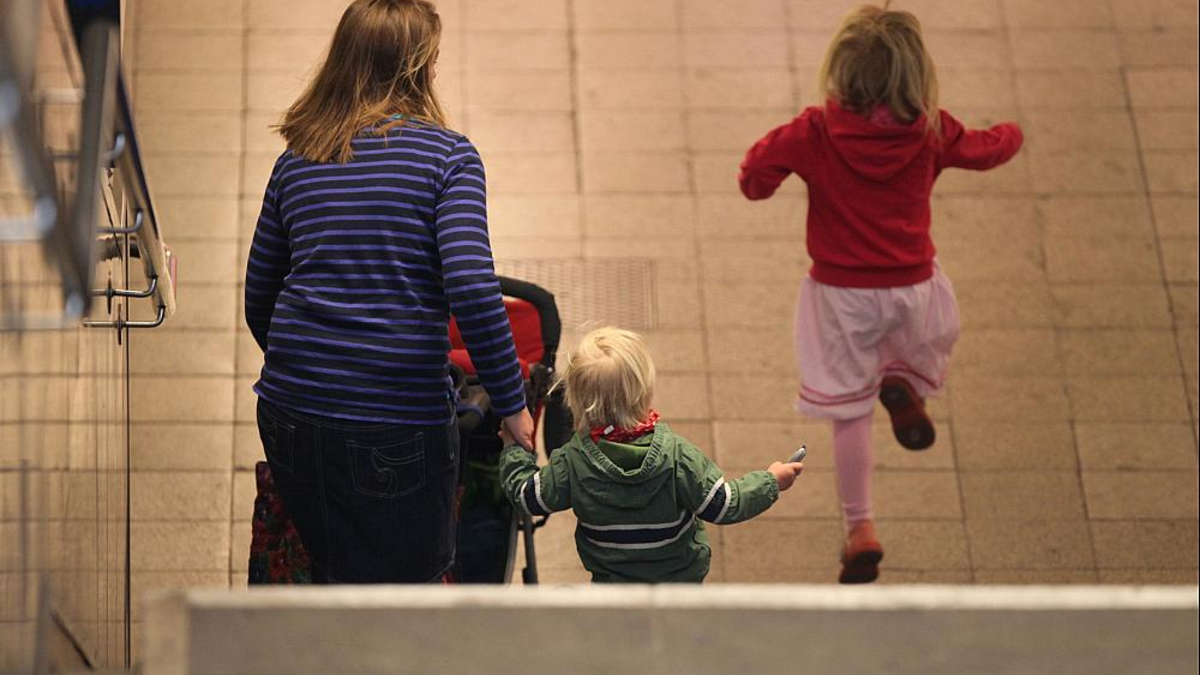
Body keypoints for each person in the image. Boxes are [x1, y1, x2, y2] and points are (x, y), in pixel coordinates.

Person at [243, 0, 534, 584]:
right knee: (406, 592)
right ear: (419, 67)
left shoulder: (297, 158)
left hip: (289, 411)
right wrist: (512, 405)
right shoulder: (448, 157)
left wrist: (312, 366)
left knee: (323, 564)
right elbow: (474, 289)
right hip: (395, 422)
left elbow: (260, 296)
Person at [737, 3, 1023, 584]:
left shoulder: (814, 132)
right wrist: (1015, 133)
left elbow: (754, 177)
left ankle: (860, 526)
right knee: (914, 356)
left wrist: (774, 175)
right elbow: (989, 148)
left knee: (848, 412)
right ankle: (901, 383)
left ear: (839, 70)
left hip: (840, 293)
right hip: (914, 287)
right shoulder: (931, 130)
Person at [498, 327, 805, 583]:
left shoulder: (572, 463)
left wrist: (515, 448)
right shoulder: (678, 457)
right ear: (645, 393)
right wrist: (771, 481)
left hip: (613, 587)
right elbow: (723, 505)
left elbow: (527, 497)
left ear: (575, 400)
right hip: (680, 584)